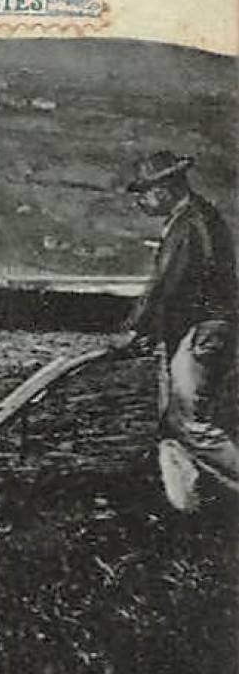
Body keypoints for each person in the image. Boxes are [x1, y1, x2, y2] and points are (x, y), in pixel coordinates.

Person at [108, 152, 239, 512]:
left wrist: (134, 329)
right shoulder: (195, 218)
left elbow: (168, 284)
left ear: (167, 188)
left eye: (146, 192)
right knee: (171, 428)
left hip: (200, 332)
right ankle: (186, 510)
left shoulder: (190, 224)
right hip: (192, 331)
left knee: (190, 425)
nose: (140, 200)